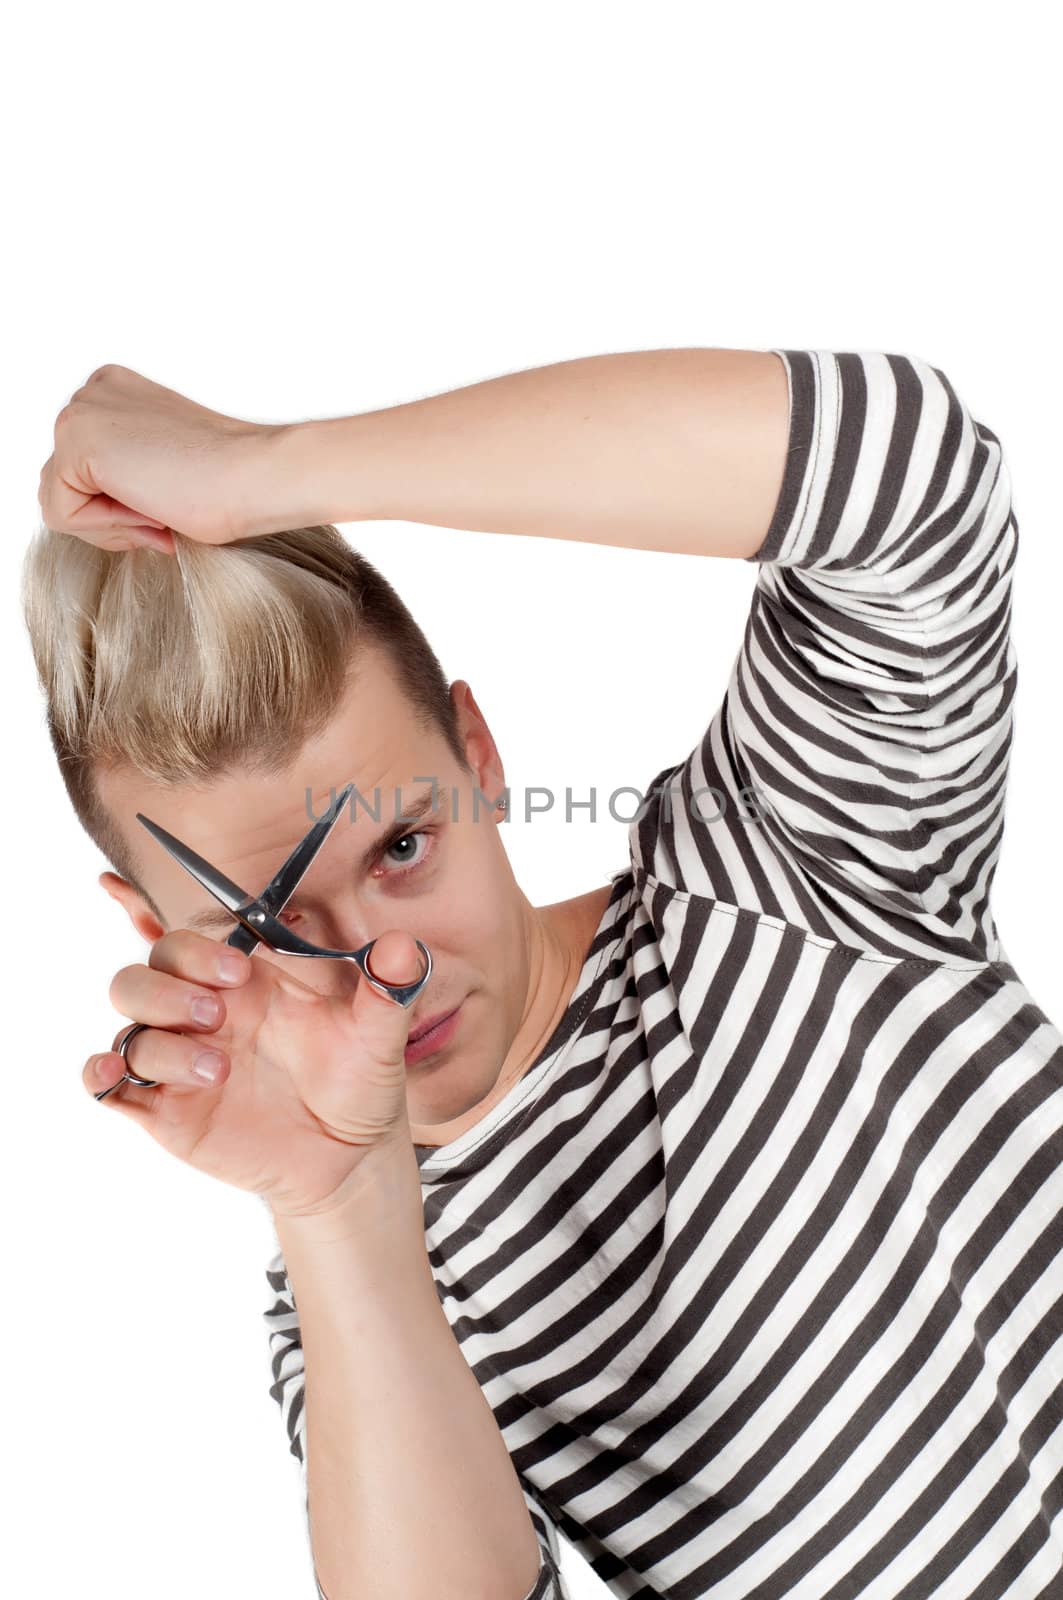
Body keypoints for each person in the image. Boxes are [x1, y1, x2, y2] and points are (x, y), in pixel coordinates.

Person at [25, 349, 1063, 1600]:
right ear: (154, 934)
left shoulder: (780, 873)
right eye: (268, 928)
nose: (384, 971)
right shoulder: (358, 1292)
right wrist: (341, 1206)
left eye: (404, 845)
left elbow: (911, 478)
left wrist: (263, 471)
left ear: (477, 750)